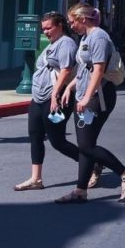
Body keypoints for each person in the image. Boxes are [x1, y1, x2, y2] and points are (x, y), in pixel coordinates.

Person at [54, 3, 125, 204]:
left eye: (72, 21)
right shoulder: (86, 38)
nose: (71, 25)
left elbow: (98, 71)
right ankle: (80, 191)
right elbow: (84, 69)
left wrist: (86, 97)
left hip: (97, 97)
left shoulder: (98, 37)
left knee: (87, 146)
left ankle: (124, 172)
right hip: (84, 95)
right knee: (85, 146)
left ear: (83, 19)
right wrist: (69, 87)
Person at [15, 12, 79, 192]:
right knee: (35, 136)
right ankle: (36, 178)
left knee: (57, 141)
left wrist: (55, 96)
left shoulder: (66, 43)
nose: (46, 32)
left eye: (49, 28)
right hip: (39, 98)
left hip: (56, 100)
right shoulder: (51, 45)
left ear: (59, 25)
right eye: (43, 29)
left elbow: (66, 70)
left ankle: (90, 163)